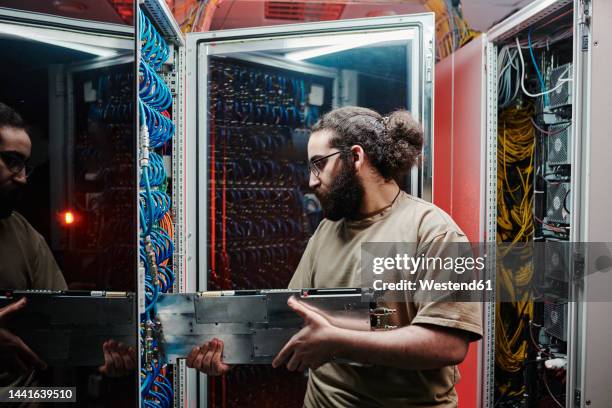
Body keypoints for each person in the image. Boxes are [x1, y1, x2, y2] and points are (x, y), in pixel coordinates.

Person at [187, 106, 483, 407]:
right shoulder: (328, 229)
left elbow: (448, 344)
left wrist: (337, 341)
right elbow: (288, 316)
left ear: (355, 157)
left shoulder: (435, 232)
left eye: (319, 164)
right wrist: (231, 353)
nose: (312, 181)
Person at [0, 102, 134, 393]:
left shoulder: (22, 234)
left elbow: (63, 322)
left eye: (26, 165)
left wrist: (103, 356)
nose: (22, 177)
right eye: (12, 161)